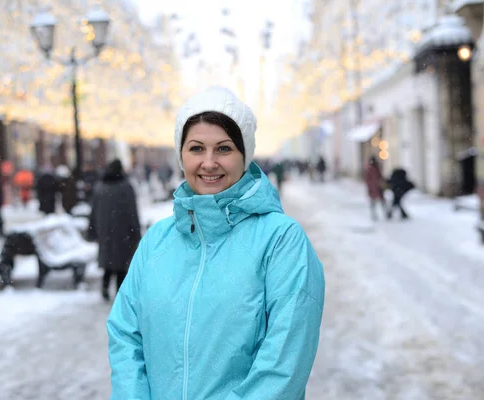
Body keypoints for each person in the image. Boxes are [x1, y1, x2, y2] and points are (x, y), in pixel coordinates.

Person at [107, 87, 325, 399]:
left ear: (245, 156)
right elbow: (126, 333)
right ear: (181, 155)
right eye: (196, 148)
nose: (209, 162)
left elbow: (283, 362)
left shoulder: (281, 240)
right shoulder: (157, 240)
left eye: (223, 149)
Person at [88, 159, 141, 301]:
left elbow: (93, 211)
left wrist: (92, 230)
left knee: (108, 263)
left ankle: (105, 288)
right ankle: (119, 292)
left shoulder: (100, 186)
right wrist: (136, 232)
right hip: (122, 232)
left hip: (105, 232)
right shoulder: (126, 186)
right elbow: (132, 211)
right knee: (121, 264)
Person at [364, 155, 387, 221]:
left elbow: (368, 179)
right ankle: (380, 213)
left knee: (376, 202)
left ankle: (379, 213)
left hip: (376, 188)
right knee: (379, 202)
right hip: (376, 187)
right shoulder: (373, 168)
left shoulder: (371, 168)